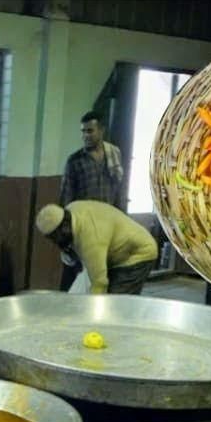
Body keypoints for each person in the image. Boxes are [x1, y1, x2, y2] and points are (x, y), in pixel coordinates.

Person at [57, 110, 127, 290]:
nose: (85, 136)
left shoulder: (114, 157)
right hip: (84, 229)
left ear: (101, 131)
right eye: (83, 131)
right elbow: (66, 198)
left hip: (108, 227)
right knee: (74, 279)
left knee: (103, 278)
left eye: (90, 131)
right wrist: (65, 237)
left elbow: (119, 192)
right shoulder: (75, 161)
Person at [35, 201, 158, 295]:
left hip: (138, 253)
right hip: (116, 249)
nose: (54, 242)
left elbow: (100, 283)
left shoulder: (91, 239)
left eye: (55, 238)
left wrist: (92, 314)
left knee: (116, 303)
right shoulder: (71, 210)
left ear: (64, 228)